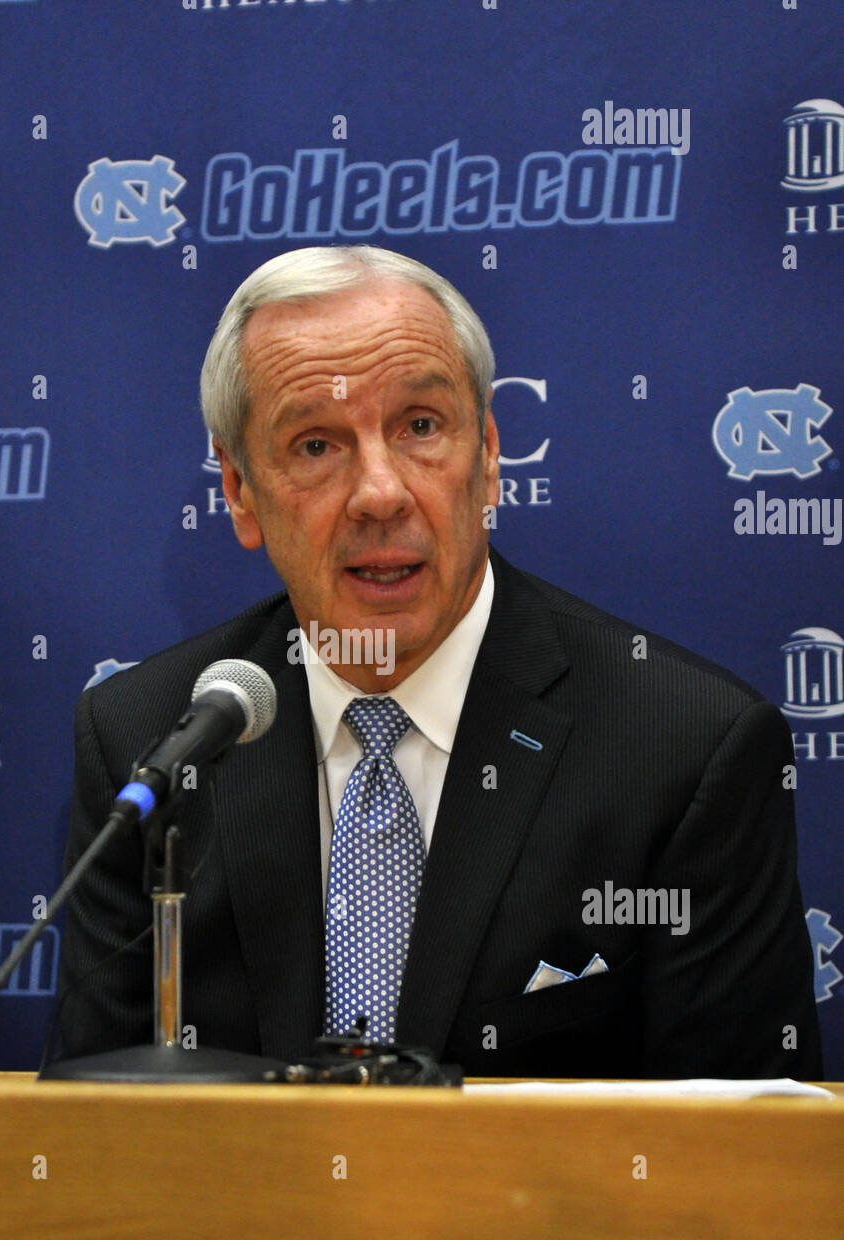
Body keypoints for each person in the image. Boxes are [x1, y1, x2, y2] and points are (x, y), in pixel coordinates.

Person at [54, 245, 822, 1079]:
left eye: (421, 428)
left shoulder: (684, 751)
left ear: (488, 455)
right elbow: (95, 1126)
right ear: (240, 491)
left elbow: (745, 1165)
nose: (380, 494)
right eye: (316, 445)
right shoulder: (150, 741)